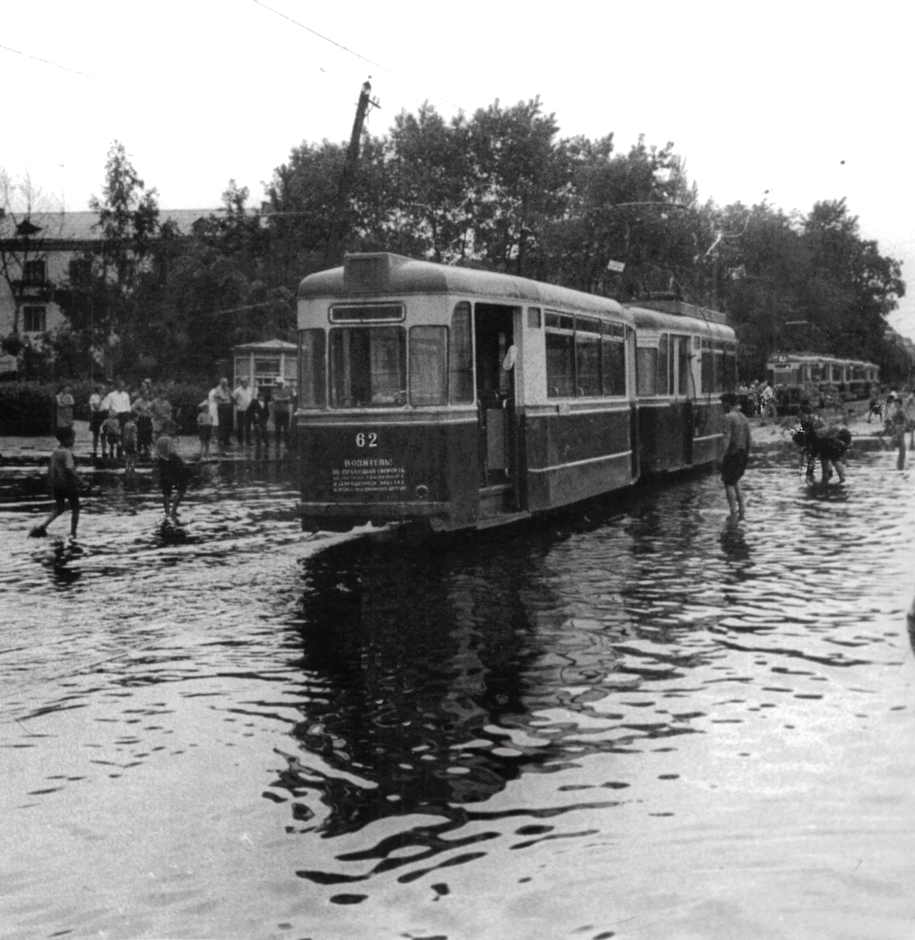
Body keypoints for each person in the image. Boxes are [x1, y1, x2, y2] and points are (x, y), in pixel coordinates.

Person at [29, 428, 85, 539]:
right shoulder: (67, 453)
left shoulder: (55, 452)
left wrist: (51, 482)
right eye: (72, 438)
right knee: (75, 509)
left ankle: (43, 526)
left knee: (59, 508)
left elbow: (51, 469)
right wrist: (81, 481)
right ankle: (73, 533)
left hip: (57, 485)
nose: (73, 440)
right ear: (65, 439)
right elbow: (70, 469)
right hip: (69, 485)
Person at [720, 392, 751, 521]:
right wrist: (747, 454)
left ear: (727, 403)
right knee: (735, 481)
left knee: (728, 483)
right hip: (743, 453)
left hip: (732, 453)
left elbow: (727, 438)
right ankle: (742, 509)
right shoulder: (743, 417)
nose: (722, 406)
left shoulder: (729, 417)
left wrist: (722, 455)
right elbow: (749, 438)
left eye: (722, 403)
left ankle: (733, 512)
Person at [155, 418, 190, 522]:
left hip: (162, 465)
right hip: (171, 465)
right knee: (182, 488)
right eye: (174, 429)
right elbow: (172, 453)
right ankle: (174, 511)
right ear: (169, 429)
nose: (175, 432)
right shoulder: (169, 439)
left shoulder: (159, 439)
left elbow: (157, 454)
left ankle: (167, 512)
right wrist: (183, 462)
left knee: (166, 491)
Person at [131, 386, 154, 459]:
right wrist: (138, 413)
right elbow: (132, 408)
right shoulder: (138, 401)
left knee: (148, 435)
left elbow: (151, 410)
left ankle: (147, 451)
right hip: (141, 419)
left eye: (148, 394)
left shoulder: (149, 402)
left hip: (148, 419)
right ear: (142, 394)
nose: (147, 395)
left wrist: (151, 414)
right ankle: (139, 450)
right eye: (145, 394)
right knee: (140, 435)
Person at [212, 377, 234, 448]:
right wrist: (223, 398)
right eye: (224, 382)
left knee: (229, 423)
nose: (226, 384)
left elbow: (231, 396)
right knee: (222, 424)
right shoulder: (218, 389)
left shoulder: (227, 389)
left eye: (226, 382)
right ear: (221, 383)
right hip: (222, 406)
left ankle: (227, 440)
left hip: (228, 406)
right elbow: (217, 397)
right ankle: (221, 440)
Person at [886, 396, 907, 470]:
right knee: (899, 442)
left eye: (896, 403)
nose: (895, 404)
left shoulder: (901, 411)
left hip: (900, 428)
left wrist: (902, 428)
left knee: (900, 442)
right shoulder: (896, 411)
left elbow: (904, 420)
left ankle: (900, 463)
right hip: (897, 428)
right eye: (895, 403)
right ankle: (900, 462)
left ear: (900, 404)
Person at [272, 377, 293, 450]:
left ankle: (287, 443)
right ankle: (277, 443)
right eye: (278, 383)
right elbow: (275, 399)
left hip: (285, 411)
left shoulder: (287, 390)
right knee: (277, 428)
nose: (279, 384)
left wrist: (280, 399)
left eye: (280, 383)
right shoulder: (274, 391)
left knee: (286, 429)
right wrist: (284, 399)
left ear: (282, 383)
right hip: (277, 411)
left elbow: (289, 400)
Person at [233, 377, 254, 446]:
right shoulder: (237, 390)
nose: (247, 384)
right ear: (241, 383)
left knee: (248, 426)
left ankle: (248, 440)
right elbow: (233, 398)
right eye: (245, 382)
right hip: (241, 410)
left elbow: (252, 398)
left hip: (249, 410)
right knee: (240, 426)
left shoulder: (250, 390)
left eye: (247, 382)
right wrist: (237, 404)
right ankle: (240, 440)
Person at [89, 382, 107, 458]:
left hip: (103, 415)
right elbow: (96, 407)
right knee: (95, 434)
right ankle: (95, 451)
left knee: (104, 434)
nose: (104, 391)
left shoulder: (105, 397)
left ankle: (104, 451)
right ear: (98, 390)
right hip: (96, 415)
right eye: (103, 389)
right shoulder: (94, 397)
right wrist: (100, 399)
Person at [249, 388, 270, 452]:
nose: (262, 398)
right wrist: (254, 414)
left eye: (263, 397)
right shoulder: (254, 403)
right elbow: (250, 410)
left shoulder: (265, 404)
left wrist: (266, 419)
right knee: (257, 431)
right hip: (256, 420)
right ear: (258, 397)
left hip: (263, 419)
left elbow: (267, 413)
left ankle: (266, 443)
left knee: (264, 431)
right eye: (261, 397)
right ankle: (258, 443)